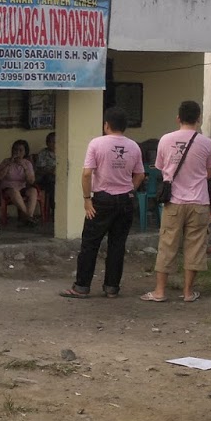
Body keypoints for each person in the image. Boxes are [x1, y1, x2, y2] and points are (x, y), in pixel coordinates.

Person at [61, 107, 144, 299]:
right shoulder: (133, 146)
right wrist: (129, 190)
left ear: (106, 125)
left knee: (90, 244)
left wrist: (87, 199)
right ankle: (112, 287)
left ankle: (81, 287)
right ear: (125, 126)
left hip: (102, 199)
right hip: (125, 201)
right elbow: (140, 175)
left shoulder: (97, 144)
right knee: (117, 245)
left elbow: (87, 173)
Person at [142, 100, 211, 303]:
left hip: (173, 202)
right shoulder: (207, 143)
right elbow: (209, 173)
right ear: (198, 119)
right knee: (195, 247)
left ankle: (159, 291)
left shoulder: (165, 140)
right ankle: (188, 292)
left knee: (167, 245)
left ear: (178, 118)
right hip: (199, 201)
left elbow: (160, 168)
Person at [0, 139, 40, 225]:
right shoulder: (6, 161)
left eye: (20, 150)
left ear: (25, 152)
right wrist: (9, 164)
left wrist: (24, 167)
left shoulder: (27, 163)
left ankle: (29, 216)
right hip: (8, 188)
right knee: (14, 191)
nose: (17, 152)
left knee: (33, 191)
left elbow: (31, 181)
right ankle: (29, 217)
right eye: (15, 150)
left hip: (22, 187)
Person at [32, 131, 57, 200]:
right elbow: (40, 169)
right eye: (50, 142)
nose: (52, 144)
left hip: (59, 176)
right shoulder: (43, 153)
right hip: (44, 177)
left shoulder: (62, 152)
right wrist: (51, 170)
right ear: (47, 143)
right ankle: (53, 204)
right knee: (52, 181)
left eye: (54, 141)